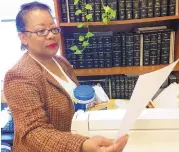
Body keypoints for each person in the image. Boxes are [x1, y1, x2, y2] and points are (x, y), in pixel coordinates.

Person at [3, 1, 128, 152]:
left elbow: (72, 100)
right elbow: (34, 132)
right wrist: (81, 145)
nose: (51, 35)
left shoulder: (61, 62)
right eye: (41, 31)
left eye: (54, 29)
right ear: (23, 37)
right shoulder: (19, 76)